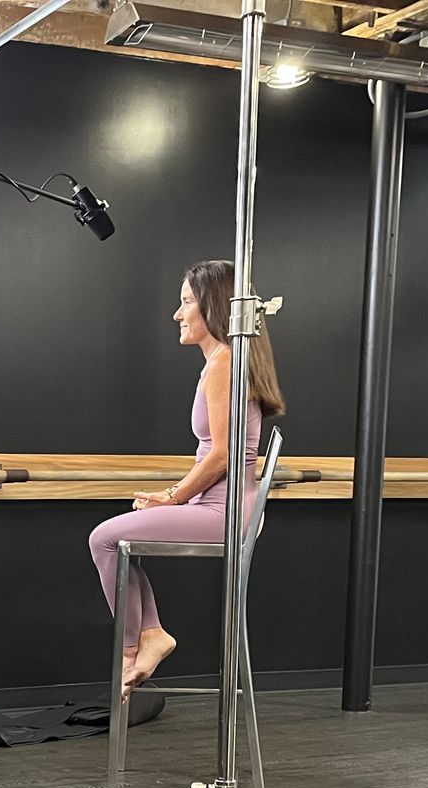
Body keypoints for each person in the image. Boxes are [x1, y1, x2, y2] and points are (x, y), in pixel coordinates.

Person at [86, 259, 285, 698]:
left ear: (213, 306)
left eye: (186, 302)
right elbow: (216, 456)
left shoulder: (224, 363)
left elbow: (223, 455)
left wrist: (173, 498)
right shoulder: (226, 361)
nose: (178, 314)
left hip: (225, 511)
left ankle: (134, 646)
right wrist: (171, 496)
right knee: (118, 540)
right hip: (224, 505)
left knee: (103, 538)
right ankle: (149, 636)